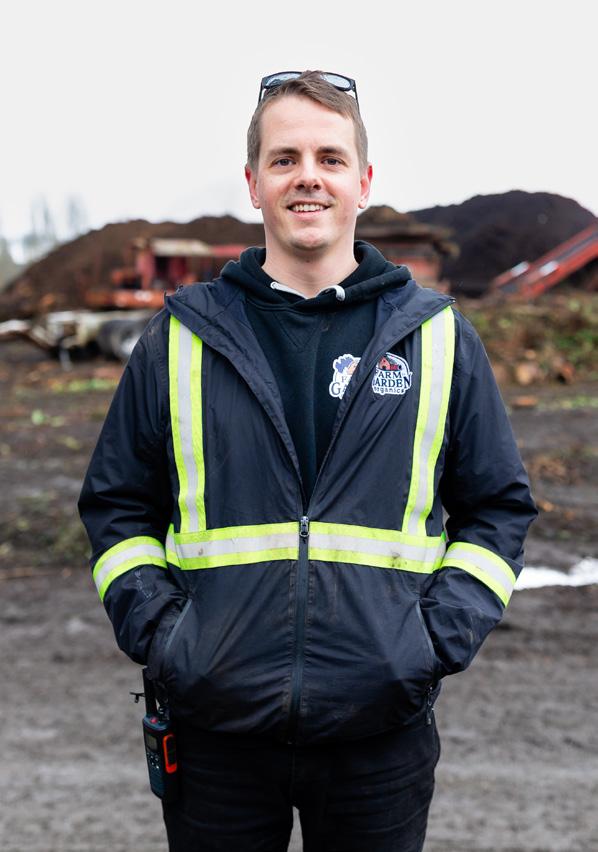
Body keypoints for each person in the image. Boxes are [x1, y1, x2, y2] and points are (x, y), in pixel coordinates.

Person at [79, 70, 537, 851]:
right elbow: (117, 505)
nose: (308, 177)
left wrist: (431, 642)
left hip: (379, 735)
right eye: (285, 158)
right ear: (253, 183)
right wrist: (167, 637)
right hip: (216, 735)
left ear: (364, 181)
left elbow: (498, 507)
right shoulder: (179, 337)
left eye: (330, 157)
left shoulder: (436, 337)